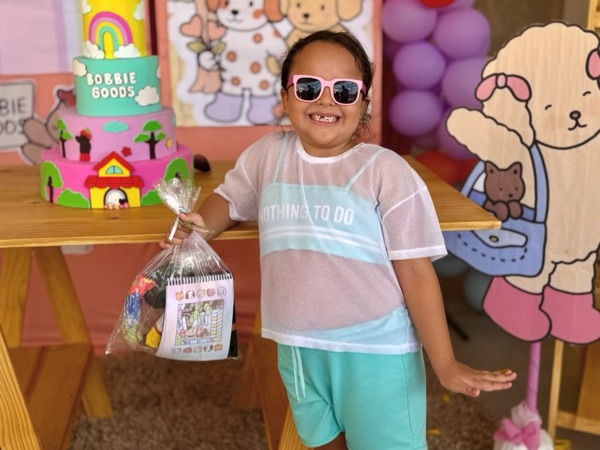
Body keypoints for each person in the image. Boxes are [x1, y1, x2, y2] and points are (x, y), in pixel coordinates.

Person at [160, 30, 516, 450]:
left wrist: (445, 363)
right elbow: (231, 199)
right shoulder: (267, 155)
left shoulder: (386, 171)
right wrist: (202, 225)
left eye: (344, 91)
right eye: (308, 88)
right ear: (286, 97)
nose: (326, 101)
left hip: (376, 352)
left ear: (363, 103)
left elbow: (417, 273)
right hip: (297, 348)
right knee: (323, 441)